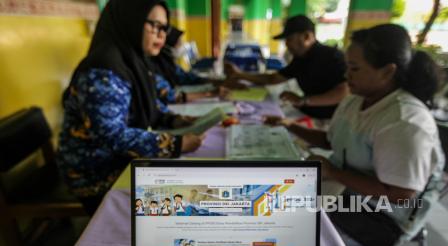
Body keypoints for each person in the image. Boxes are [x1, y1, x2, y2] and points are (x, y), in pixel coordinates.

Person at [265, 24, 444, 246]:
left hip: (380, 217)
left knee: (283, 232)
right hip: (343, 191)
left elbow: (401, 195)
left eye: (354, 68)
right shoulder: (356, 100)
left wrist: (333, 172)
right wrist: (290, 126)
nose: (345, 75)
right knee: (271, 201)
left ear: (387, 72)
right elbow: (334, 141)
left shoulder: (405, 122)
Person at [57, 0, 203, 215]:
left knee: (190, 189)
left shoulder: (133, 61)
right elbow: (111, 135)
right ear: (131, 22)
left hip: (119, 161)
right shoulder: (104, 71)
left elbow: (147, 105)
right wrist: (175, 143)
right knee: (183, 203)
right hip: (95, 174)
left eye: (165, 28)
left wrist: (173, 120)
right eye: (155, 26)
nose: (162, 35)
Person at [225, 15, 349, 120]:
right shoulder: (301, 59)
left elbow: (344, 91)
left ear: (307, 37)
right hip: (307, 113)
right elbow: (273, 79)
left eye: (290, 39)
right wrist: (239, 74)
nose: (286, 44)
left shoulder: (332, 57)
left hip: (330, 120)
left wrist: (304, 100)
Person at [150, 26, 228, 112]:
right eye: (179, 43)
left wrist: (215, 81)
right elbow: (170, 96)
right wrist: (210, 93)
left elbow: (186, 77)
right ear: (167, 45)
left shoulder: (169, 64)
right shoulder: (154, 66)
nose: (182, 45)